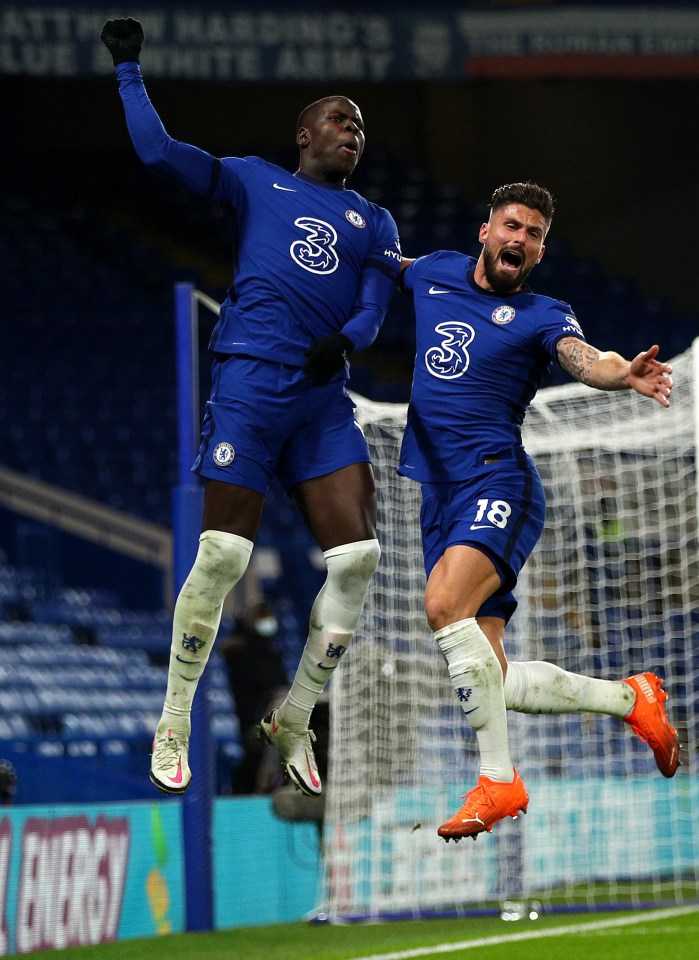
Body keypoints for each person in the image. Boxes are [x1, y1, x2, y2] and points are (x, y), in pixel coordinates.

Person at [100, 19, 401, 798]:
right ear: (304, 134)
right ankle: (174, 716)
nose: (352, 134)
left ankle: (295, 717)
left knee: (359, 559)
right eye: (340, 120)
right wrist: (128, 69)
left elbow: (372, 304)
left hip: (321, 400)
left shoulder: (375, 221)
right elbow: (157, 153)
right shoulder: (253, 179)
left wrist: (348, 341)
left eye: (361, 127)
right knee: (224, 557)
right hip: (249, 383)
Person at [397, 181, 679, 842]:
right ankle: (628, 699)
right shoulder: (432, 273)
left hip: (498, 482)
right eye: (511, 226)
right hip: (435, 494)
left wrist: (620, 374)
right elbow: (373, 261)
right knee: (487, 674)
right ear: (485, 231)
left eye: (532, 234)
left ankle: (498, 780)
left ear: (539, 252)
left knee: (442, 607)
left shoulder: (541, 313)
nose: (518, 239)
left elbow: (585, 359)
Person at [220, 600, 289, 794]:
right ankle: (261, 788)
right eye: (262, 619)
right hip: (255, 725)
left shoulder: (272, 653)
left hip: (280, 718)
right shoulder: (242, 656)